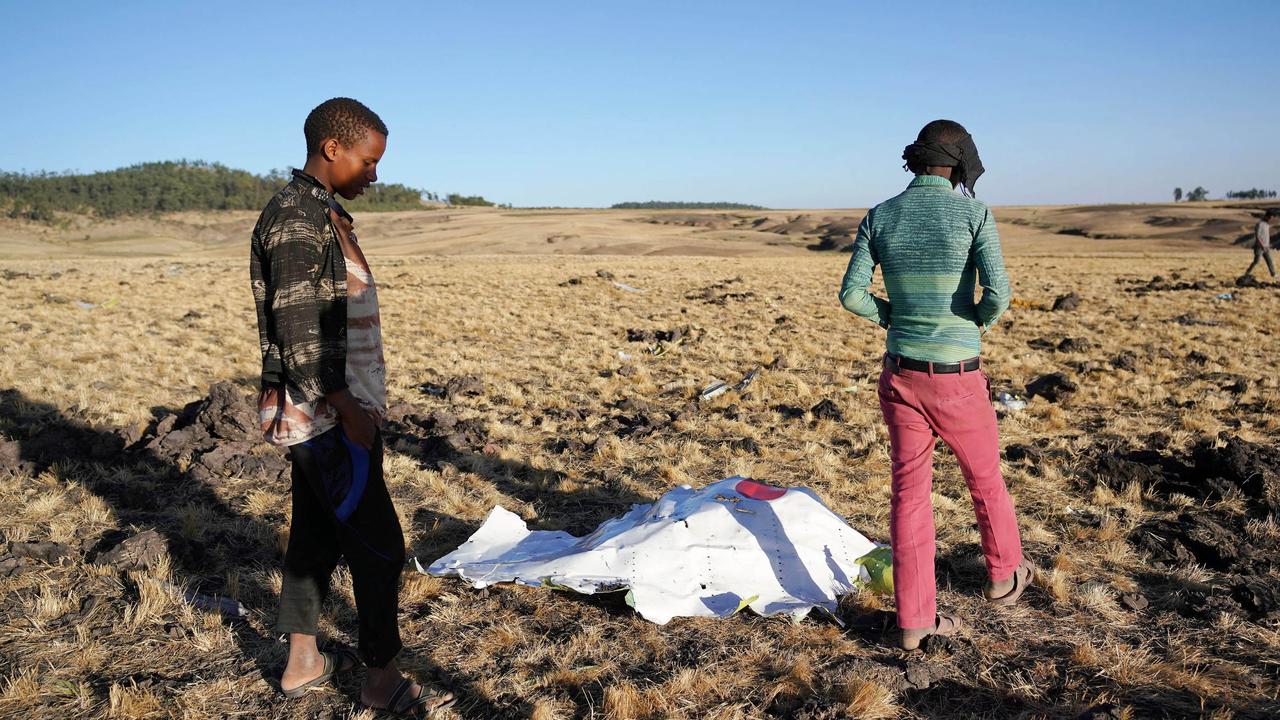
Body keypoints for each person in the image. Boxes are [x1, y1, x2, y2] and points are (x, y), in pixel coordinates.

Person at [250, 97, 456, 716]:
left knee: (315, 535)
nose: (375, 174)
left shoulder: (325, 212)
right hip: (327, 415)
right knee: (379, 545)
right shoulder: (295, 219)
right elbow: (297, 328)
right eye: (368, 161)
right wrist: (348, 406)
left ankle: (302, 661)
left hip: (337, 408)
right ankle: (379, 679)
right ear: (332, 149)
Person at [838, 119, 1034, 651]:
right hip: (958, 378)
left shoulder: (880, 215)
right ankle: (1003, 575)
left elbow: (852, 294)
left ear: (918, 160)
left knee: (908, 495)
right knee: (985, 479)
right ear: (960, 163)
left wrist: (893, 317)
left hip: (901, 374)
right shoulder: (974, 214)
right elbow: (998, 291)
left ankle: (916, 621)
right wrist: (974, 322)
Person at [1245, 209, 1276, 278]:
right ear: (1268, 216)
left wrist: (1267, 245)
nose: (1272, 219)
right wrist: (1262, 245)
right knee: (1256, 261)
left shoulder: (1267, 225)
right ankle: (1247, 273)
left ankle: (1273, 274)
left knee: (1269, 261)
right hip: (1259, 247)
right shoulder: (1260, 224)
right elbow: (1257, 235)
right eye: (1272, 217)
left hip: (1266, 247)